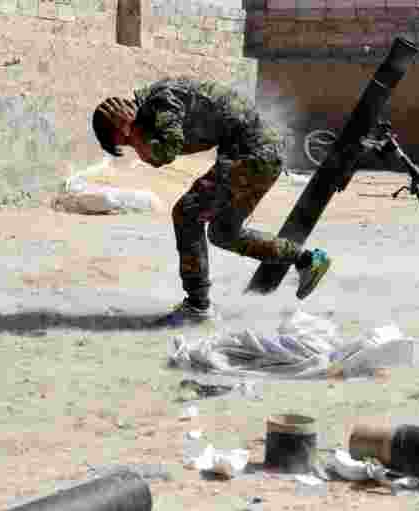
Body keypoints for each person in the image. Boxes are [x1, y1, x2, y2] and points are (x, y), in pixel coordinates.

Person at [91, 78, 331, 326]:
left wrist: (133, 133)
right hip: (255, 152)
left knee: (187, 213)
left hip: (253, 151)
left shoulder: (161, 103)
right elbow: (157, 155)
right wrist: (135, 134)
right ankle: (308, 260)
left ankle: (197, 307)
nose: (132, 144)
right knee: (224, 232)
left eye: (126, 139)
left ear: (124, 122)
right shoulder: (154, 110)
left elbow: (166, 152)